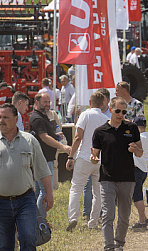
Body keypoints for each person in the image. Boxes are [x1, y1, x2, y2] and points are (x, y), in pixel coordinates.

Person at [91, 96, 143, 251]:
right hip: (107, 178)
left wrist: (136, 150)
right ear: (110, 110)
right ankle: (109, 246)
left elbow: (140, 153)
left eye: (124, 111)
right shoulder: (100, 131)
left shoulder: (131, 128)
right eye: (118, 111)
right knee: (108, 214)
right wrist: (93, 158)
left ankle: (119, 243)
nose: (121, 114)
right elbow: (95, 156)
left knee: (124, 215)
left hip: (127, 178)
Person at [0, 103, 53, 250]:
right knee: (4, 245)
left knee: (28, 239)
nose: (1, 121)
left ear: (16, 119)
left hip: (25, 200)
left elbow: (43, 170)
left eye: (5, 117)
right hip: (1, 203)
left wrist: (49, 194)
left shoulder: (29, 140)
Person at [66, 92, 108, 231]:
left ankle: (73, 217)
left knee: (76, 188)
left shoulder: (85, 115)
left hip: (84, 157)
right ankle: (93, 222)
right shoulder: (105, 118)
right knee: (98, 192)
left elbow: (78, 137)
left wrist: (71, 156)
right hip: (100, 159)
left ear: (90, 102)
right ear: (103, 104)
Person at [29, 92, 71, 221]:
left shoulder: (43, 116)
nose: (47, 105)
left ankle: (36, 220)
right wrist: (62, 147)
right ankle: (41, 221)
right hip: (43, 159)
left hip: (44, 158)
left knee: (38, 192)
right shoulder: (37, 118)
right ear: (37, 103)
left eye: (49, 102)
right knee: (44, 191)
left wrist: (55, 134)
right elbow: (44, 137)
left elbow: (47, 134)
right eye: (44, 102)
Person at [130, 116, 148, 229]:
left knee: (137, 196)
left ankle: (142, 222)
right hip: (143, 169)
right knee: (136, 196)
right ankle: (144, 218)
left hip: (136, 169)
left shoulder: (139, 138)